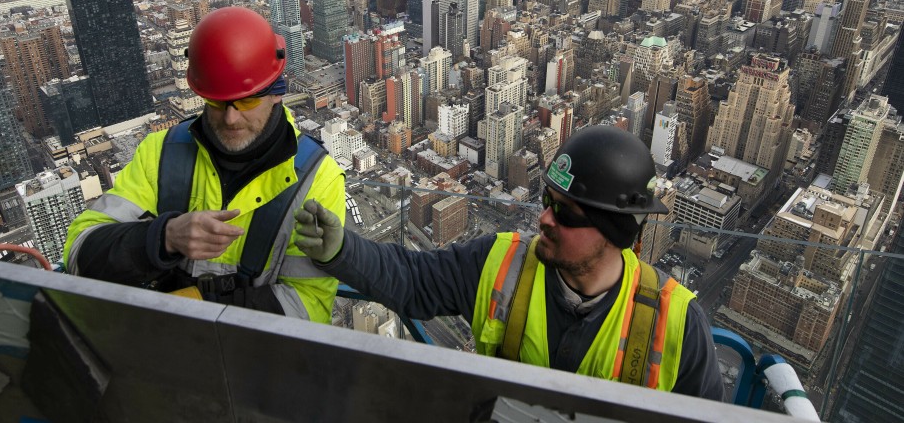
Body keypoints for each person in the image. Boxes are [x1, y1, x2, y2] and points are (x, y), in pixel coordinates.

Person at [294, 125, 723, 399]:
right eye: (546, 201)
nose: (544, 219)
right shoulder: (501, 262)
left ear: (618, 234)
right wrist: (341, 250)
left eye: (567, 213)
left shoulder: (679, 325)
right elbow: (412, 279)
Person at [64, 6, 345, 323]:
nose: (231, 118)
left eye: (247, 100)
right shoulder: (160, 153)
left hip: (250, 356)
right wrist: (162, 238)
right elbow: (80, 255)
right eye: (217, 101)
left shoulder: (316, 178)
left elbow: (309, 305)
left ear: (276, 93)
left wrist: (201, 307)